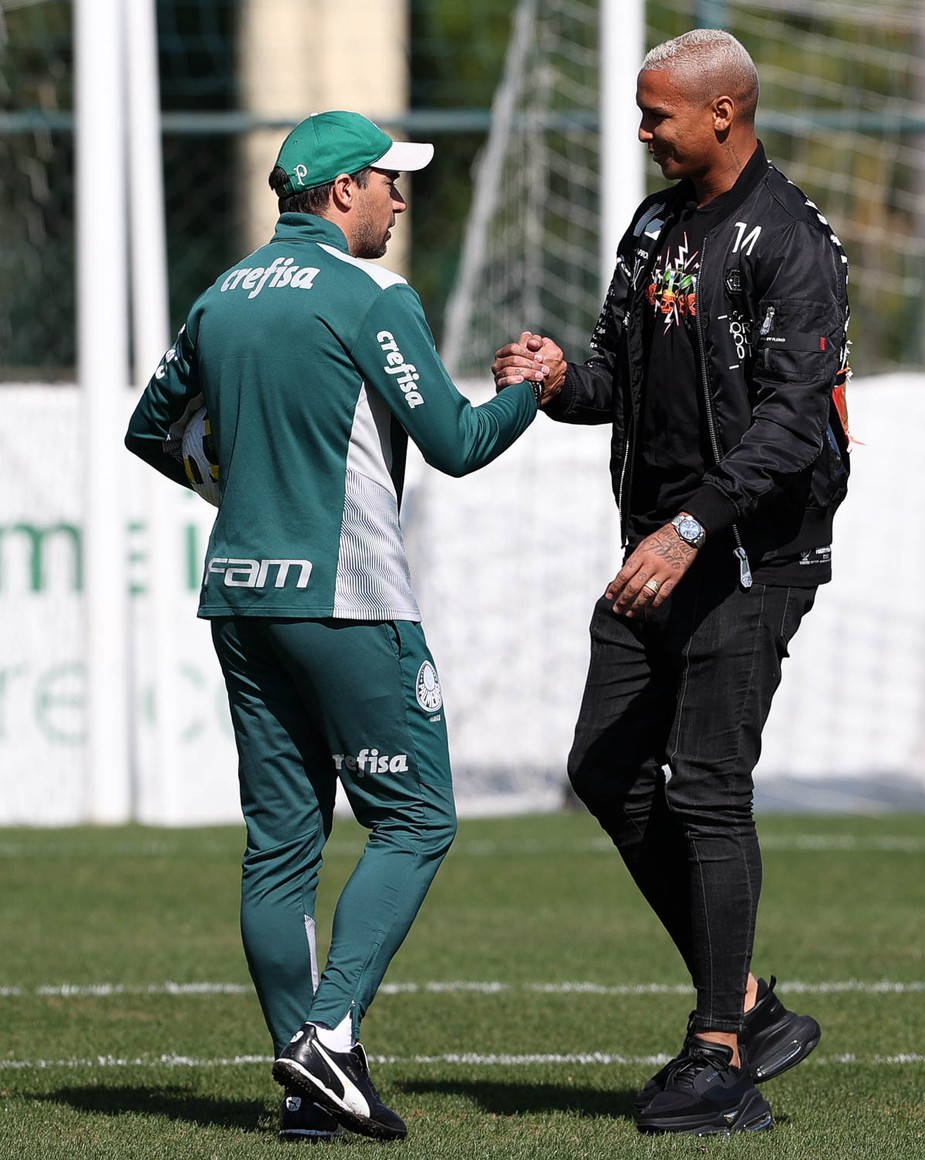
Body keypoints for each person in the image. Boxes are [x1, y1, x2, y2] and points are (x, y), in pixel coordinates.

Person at [126, 110, 545, 1143]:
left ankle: (306, 1084)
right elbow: (453, 440)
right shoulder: (370, 294)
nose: (402, 198)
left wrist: (235, 488)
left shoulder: (222, 296)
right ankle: (329, 1032)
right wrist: (526, 393)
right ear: (342, 190)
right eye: (390, 181)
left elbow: (150, 430)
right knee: (416, 819)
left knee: (280, 846)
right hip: (347, 595)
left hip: (239, 593)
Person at [493, 29, 850, 1137]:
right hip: (663, 542)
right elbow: (619, 371)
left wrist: (692, 525)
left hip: (749, 549)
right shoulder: (653, 226)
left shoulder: (790, 239)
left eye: (657, 116)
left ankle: (719, 1055)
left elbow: (796, 419)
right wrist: (561, 380)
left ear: (724, 114)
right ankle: (747, 1004)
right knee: (604, 766)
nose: (643, 132)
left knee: (705, 784)